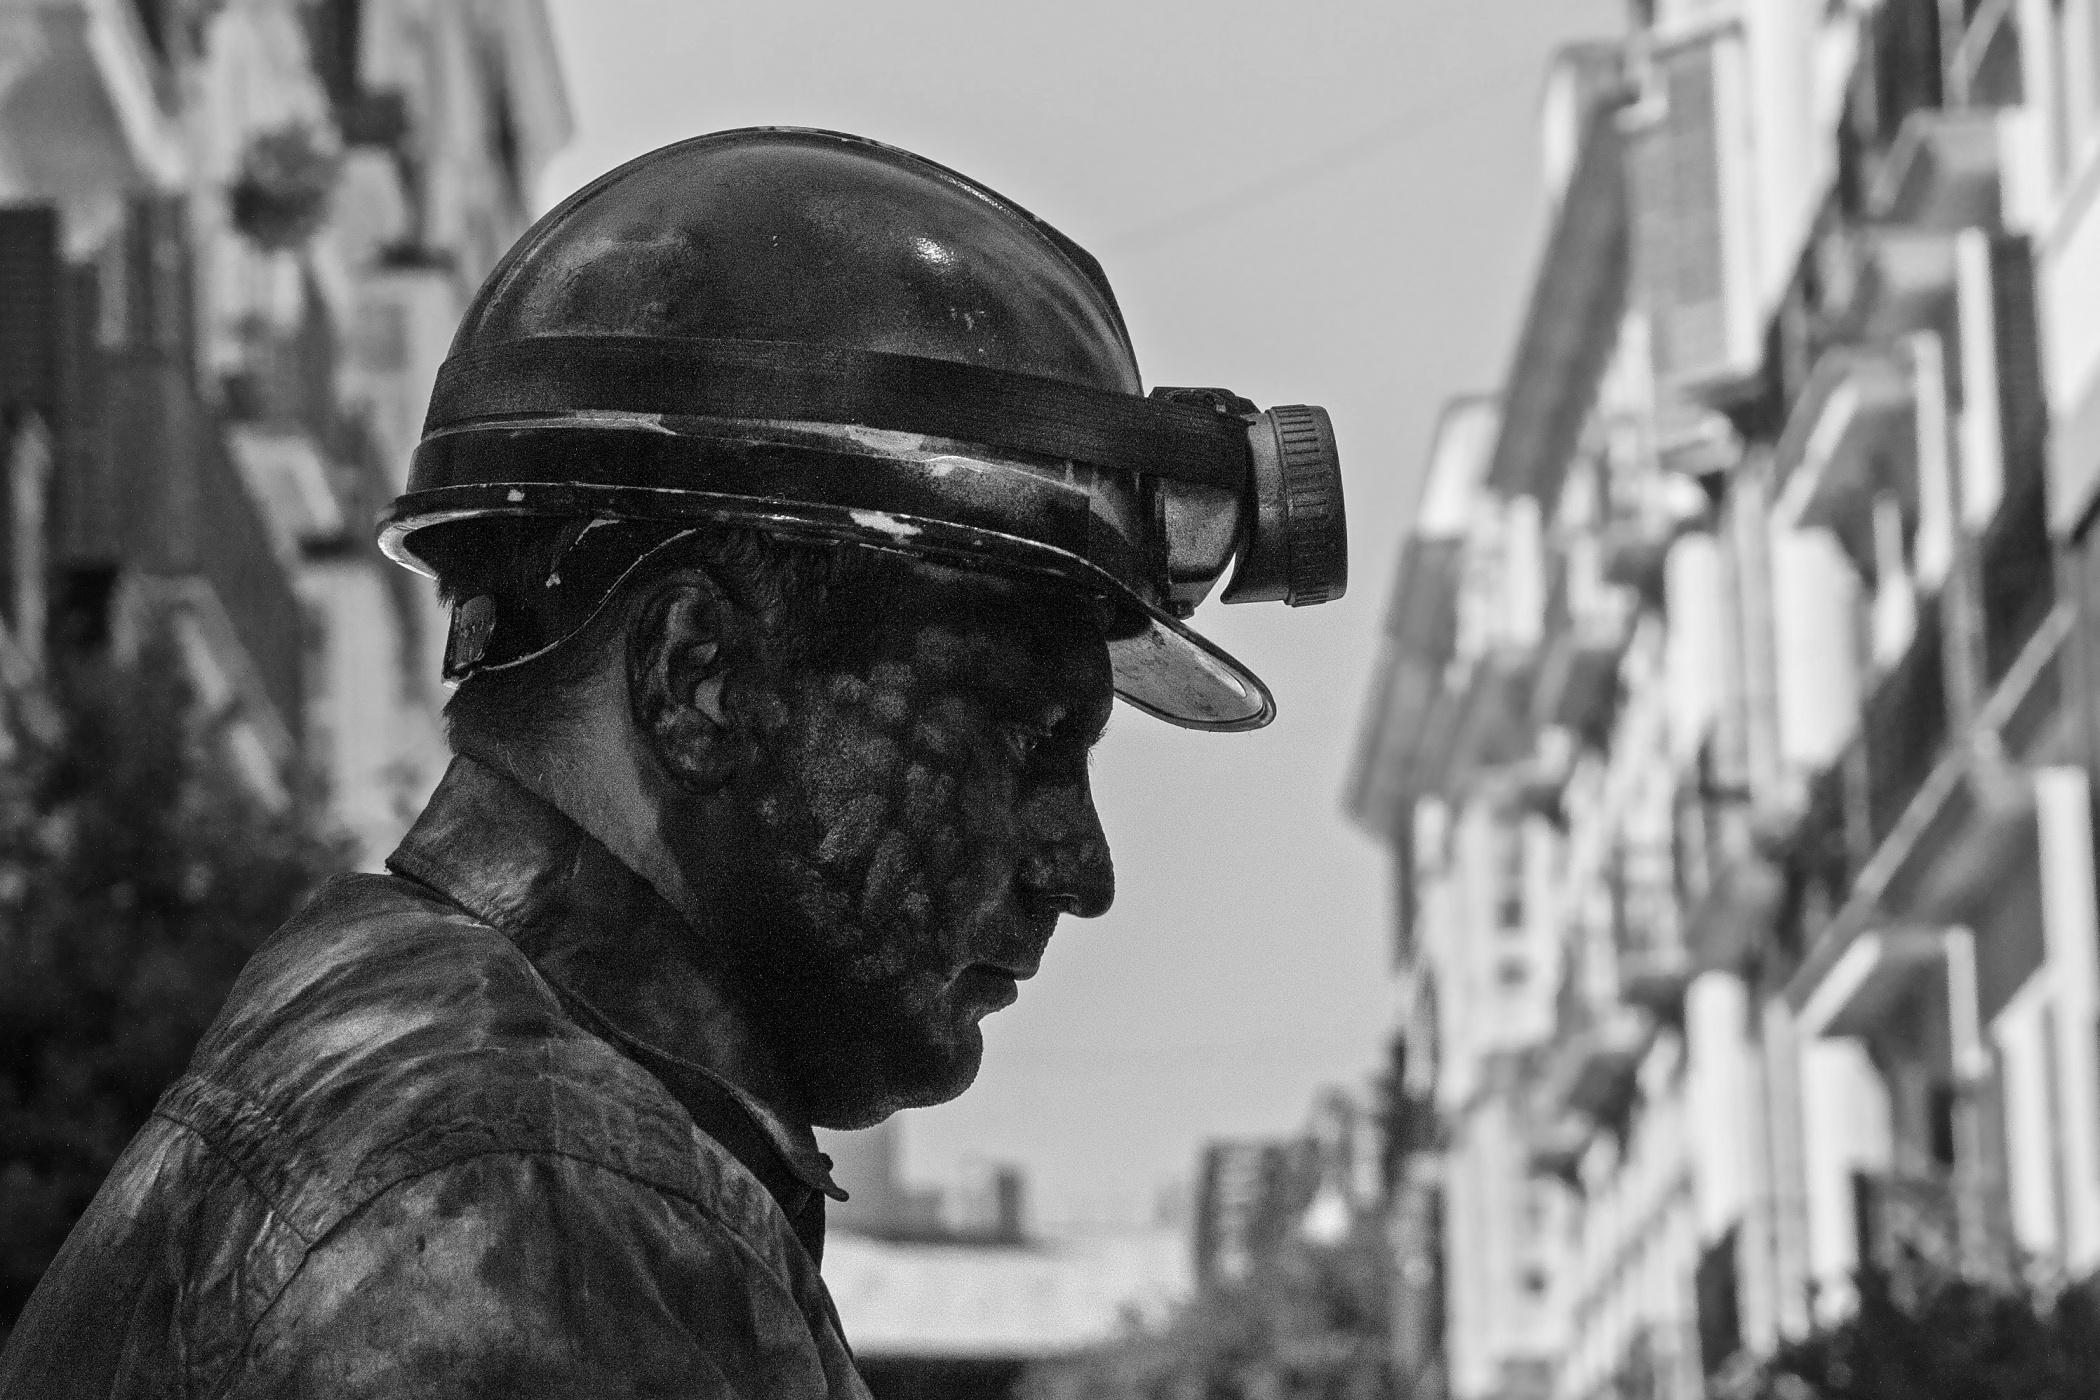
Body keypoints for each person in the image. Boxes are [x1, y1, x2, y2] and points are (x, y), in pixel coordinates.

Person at [0, 128, 1344, 1397]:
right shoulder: (527, 1195)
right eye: (1019, 736)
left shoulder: (458, 1097)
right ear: (701, 676)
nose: (1080, 868)